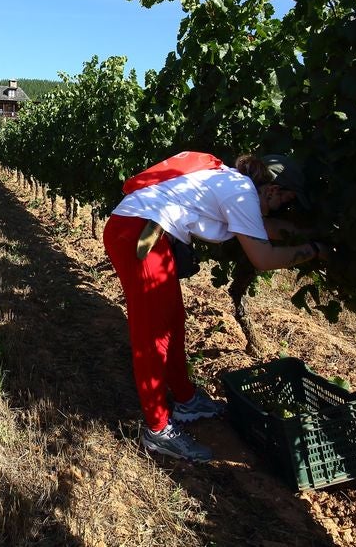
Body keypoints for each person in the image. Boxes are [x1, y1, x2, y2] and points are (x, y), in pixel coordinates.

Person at [103, 153, 330, 462]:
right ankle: (158, 431)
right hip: (136, 234)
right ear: (273, 190)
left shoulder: (235, 185)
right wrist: (314, 251)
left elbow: (264, 227)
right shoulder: (241, 193)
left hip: (149, 233)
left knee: (172, 322)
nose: (283, 208)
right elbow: (262, 258)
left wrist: (311, 234)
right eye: (285, 202)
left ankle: (185, 399)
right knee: (152, 335)